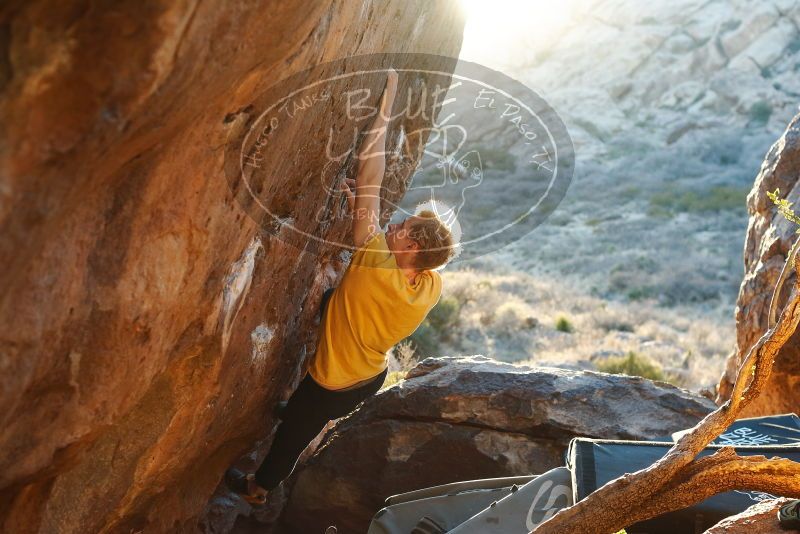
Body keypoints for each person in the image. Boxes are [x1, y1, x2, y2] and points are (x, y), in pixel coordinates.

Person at [225, 68, 460, 505]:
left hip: (332, 382)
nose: (394, 221)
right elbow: (391, 244)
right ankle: (298, 412)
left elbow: (371, 171)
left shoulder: (375, 259)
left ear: (409, 246)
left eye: (402, 226)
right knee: (334, 301)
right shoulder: (430, 282)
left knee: (291, 438)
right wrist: (366, 223)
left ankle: (259, 489)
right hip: (369, 376)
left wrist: (386, 104)